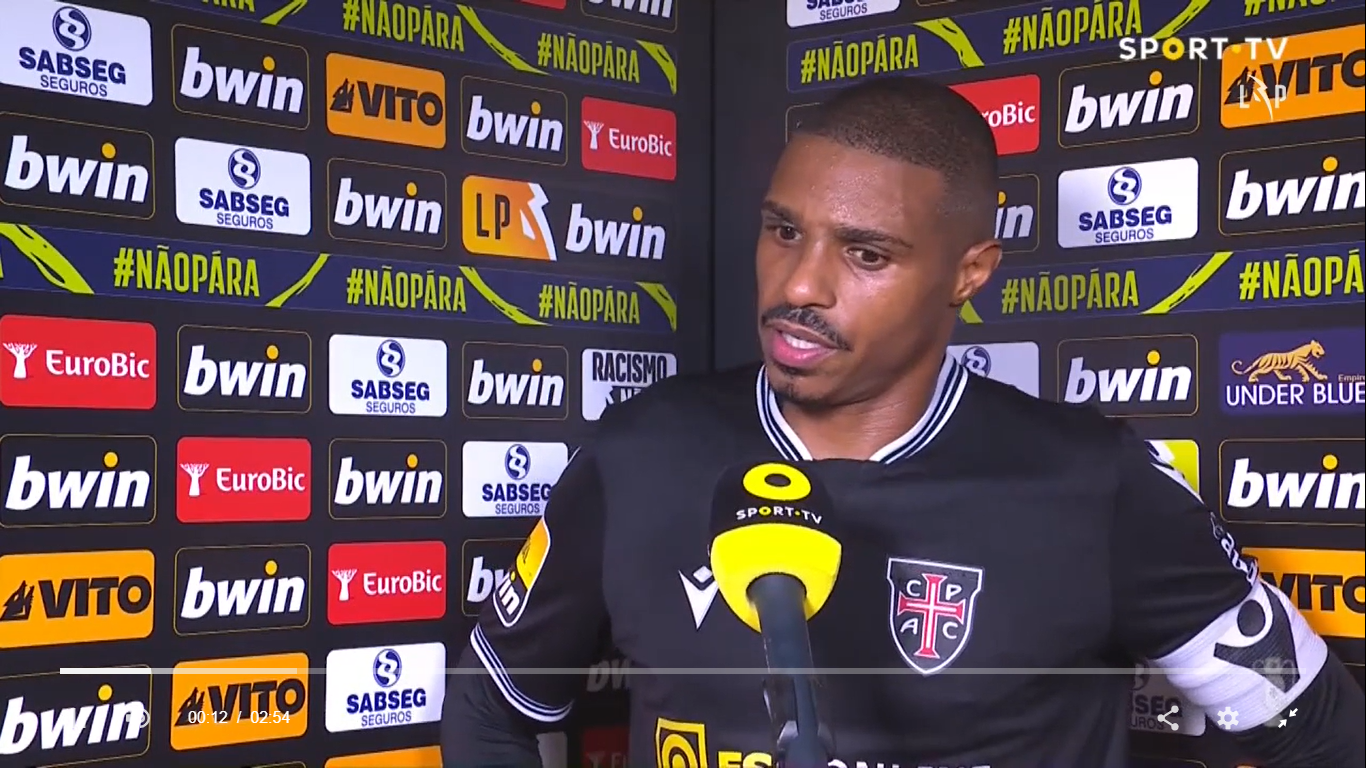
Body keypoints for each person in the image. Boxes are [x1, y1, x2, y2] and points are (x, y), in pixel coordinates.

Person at [442, 76, 1364, 767]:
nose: (801, 285)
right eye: (783, 230)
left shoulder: (1094, 485)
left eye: (867, 254)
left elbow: (1319, 729)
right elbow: (490, 707)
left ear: (970, 272)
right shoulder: (640, 454)